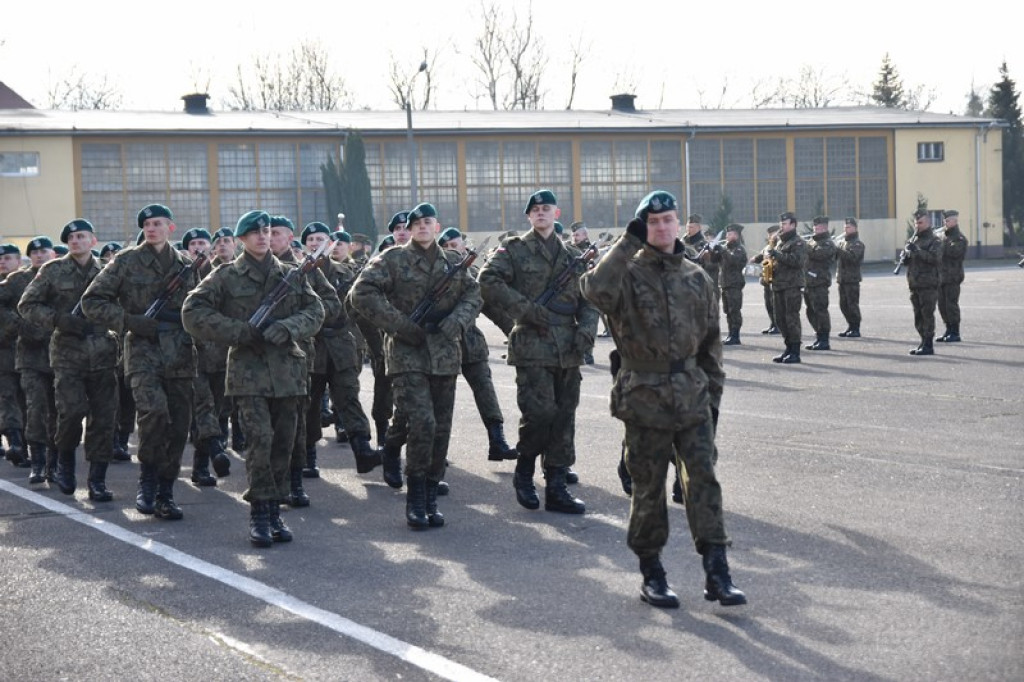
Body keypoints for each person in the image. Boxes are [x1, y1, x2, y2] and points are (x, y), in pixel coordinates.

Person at [580, 190, 746, 609]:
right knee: (648, 489)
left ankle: (717, 572)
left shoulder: (696, 276)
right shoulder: (625, 273)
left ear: (678, 223)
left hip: (692, 396)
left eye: (668, 220)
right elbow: (595, 292)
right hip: (644, 398)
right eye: (652, 222)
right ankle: (652, 572)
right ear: (642, 227)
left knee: (704, 484)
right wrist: (626, 243)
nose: (662, 227)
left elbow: (711, 347)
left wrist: (714, 401)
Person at [182, 209, 324, 546]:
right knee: (260, 440)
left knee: (283, 444)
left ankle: (275, 510)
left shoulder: (291, 274)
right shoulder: (227, 276)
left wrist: (287, 328)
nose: (263, 236)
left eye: (268, 231)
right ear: (242, 239)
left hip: (288, 371)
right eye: (255, 232)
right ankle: (260, 512)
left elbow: (316, 311)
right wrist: (239, 332)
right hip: (249, 373)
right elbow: (192, 312)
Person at [351, 202, 482, 529]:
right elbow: (360, 294)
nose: (422, 227)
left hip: (444, 353)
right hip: (407, 353)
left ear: (437, 227)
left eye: (427, 222)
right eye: (416, 223)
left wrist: (457, 322)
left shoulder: (453, 261)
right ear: (408, 229)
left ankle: (430, 493)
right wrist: (399, 326)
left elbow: (475, 295)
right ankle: (415, 496)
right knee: (422, 421)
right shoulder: (392, 259)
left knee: (441, 427)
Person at [478, 189, 598, 515]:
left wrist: (587, 331)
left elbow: (589, 298)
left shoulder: (574, 255)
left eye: (547, 208)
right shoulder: (514, 250)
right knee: (539, 415)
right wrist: (525, 310)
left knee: (564, 418)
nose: (541, 213)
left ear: (556, 214)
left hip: (568, 346)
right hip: (532, 343)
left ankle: (557, 487)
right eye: (535, 210)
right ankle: (525, 472)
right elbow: (486, 279)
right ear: (529, 216)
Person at [81, 204, 196, 520]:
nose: (151, 228)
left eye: (157, 223)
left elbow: (199, 308)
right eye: (146, 224)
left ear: (170, 228)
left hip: (180, 352)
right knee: (153, 413)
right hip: (142, 349)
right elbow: (92, 301)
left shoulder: (187, 265)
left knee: (179, 425)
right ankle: (147, 480)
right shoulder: (127, 261)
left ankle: (166, 491)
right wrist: (128, 321)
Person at [18, 219, 119, 500]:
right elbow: (27, 305)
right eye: (71, 237)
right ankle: (64, 463)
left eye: (81, 236)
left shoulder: (110, 271)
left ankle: (97, 480)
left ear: (93, 240)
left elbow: (124, 305)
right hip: (67, 354)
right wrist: (58, 320)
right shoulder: (53, 270)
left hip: (103, 353)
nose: (76, 241)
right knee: (71, 413)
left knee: (103, 419)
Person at [301, 221, 380, 485]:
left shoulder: (346, 272)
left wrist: (377, 348)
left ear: (332, 243)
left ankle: (362, 448)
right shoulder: (296, 272)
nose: (315, 243)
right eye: (310, 239)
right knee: (309, 405)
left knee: (348, 397)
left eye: (321, 238)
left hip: (341, 346)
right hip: (311, 347)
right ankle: (309, 456)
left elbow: (359, 310)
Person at [437, 227, 517, 462]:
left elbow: (494, 310)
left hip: (471, 343)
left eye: (456, 244)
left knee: (486, 391)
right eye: (448, 246)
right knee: (441, 401)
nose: (454, 249)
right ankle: (436, 451)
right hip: (441, 344)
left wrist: (515, 333)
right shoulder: (435, 274)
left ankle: (497, 440)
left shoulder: (472, 274)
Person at [0, 237, 58, 480]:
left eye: (44, 251)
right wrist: (20, 326)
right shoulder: (18, 280)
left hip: (61, 353)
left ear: (53, 253)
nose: (39, 255)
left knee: (57, 410)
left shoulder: (63, 275)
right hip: (28, 354)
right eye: (34, 252)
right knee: (32, 406)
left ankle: (55, 463)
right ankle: (35, 459)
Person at [179, 227, 231, 487]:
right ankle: (212, 451)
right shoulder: (180, 276)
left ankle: (202, 464)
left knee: (219, 408)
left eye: (202, 242)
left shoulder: (223, 275)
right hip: (192, 353)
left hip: (221, 354)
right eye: (193, 244)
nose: (198, 247)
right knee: (204, 406)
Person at [0, 244, 27, 469]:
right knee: (7, 397)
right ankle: (15, 442)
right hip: (3, 351)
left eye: (8, 258)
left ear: (19, 261)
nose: (2, 262)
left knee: (26, 400)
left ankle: (26, 445)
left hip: (26, 350)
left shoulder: (27, 283)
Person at [769, 212, 808, 363]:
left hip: (792, 285)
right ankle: (788, 347)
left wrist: (777, 255)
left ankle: (795, 351)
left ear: (793, 225)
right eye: (781, 224)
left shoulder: (798, 242)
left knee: (791, 318)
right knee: (780, 319)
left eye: (785, 224)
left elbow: (797, 262)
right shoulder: (780, 242)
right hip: (779, 284)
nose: (782, 226)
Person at [903, 209, 942, 356]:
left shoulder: (935, 240)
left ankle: (928, 344)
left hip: (928, 284)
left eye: (920, 222)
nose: (917, 225)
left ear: (928, 223)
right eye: (916, 223)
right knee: (918, 315)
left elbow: (935, 259)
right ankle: (922, 341)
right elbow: (909, 262)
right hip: (915, 284)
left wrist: (917, 251)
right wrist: (906, 255)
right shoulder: (914, 240)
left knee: (927, 314)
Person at [803, 216, 837, 351]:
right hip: (808, 282)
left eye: (819, 227)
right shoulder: (812, 241)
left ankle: (824, 339)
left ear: (825, 228)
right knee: (810, 311)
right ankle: (818, 335)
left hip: (820, 282)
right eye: (815, 227)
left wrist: (803, 245)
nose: (816, 229)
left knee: (820, 311)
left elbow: (818, 255)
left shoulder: (828, 243)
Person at [936, 209, 968, 343]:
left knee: (951, 304)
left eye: (948, 220)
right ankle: (948, 329)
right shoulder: (942, 236)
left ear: (955, 221)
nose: (945, 222)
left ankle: (955, 332)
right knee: (942, 305)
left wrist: (941, 242)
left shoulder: (959, 238)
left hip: (953, 277)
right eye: (944, 220)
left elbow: (955, 253)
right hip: (941, 277)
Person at [716, 224, 747, 345]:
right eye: (727, 234)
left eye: (730, 234)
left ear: (737, 235)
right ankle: (730, 333)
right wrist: (714, 252)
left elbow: (734, 261)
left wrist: (723, 251)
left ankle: (735, 335)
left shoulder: (739, 249)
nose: (727, 236)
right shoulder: (726, 249)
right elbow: (715, 262)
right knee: (727, 310)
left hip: (735, 283)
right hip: (725, 283)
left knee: (734, 310)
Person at [836, 217, 865, 337]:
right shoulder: (843, 242)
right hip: (842, 278)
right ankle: (850, 326)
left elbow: (853, 258)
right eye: (845, 227)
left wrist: (837, 249)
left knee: (852, 304)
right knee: (843, 305)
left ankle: (856, 328)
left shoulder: (858, 244)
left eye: (848, 227)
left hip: (852, 279)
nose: (845, 229)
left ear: (855, 228)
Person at [749, 225, 781, 334]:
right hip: (767, 278)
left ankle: (778, 325)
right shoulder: (768, 247)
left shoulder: (780, 246)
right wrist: (754, 259)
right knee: (769, 304)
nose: (770, 236)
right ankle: (773, 323)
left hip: (777, 279)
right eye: (769, 234)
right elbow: (760, 256)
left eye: (773, 234)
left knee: (776, 304)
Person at [684, 214, 721, 295]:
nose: (688, 229)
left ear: (699, 227)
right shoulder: (682, 242)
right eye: (687, 227)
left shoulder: (704, 244)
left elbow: (712, 266)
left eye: (691, 227)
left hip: (700, 286)